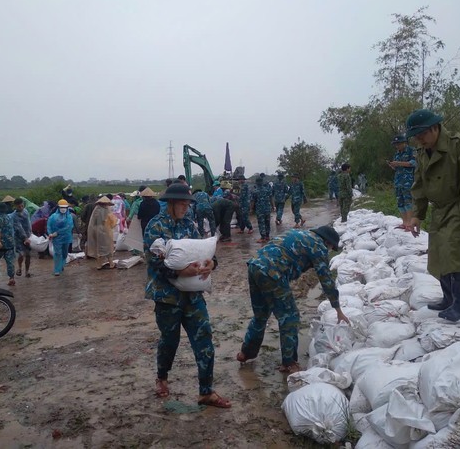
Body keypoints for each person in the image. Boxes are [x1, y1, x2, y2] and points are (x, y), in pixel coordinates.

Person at [143, 183, 231, 408]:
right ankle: (162, 377)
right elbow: (155, 262)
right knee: (169, 341)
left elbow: (204, 250)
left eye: (187, 203)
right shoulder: (155, 226)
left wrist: (212, 263)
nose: (186, 207)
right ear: (171, 202)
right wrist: (179, 272)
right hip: (167, 297)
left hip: (193, 295)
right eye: (182, 203)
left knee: (204, 340)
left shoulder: (190, 226)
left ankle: (206, 391)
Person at [405, 109, 460, 322]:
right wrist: (417, 215)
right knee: (439, 253)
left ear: (435, 128)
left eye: (422, 134)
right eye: (416, 136)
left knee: (455, 254)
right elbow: (419, 184)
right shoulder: (423, 152)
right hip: (439, 209)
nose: (419, 139)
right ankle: (448, 298)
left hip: (459, 205)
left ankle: (459, 306)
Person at [237, 226, 349, 374]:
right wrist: (338, 311)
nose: (328, 251)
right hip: (272, 272)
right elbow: (326, 281)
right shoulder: (318, 246)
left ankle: (246, 352)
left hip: (255, 266)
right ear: (327, 242)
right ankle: (289, 363)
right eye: (330, 248)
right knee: (290, 317)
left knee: (261, 314)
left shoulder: (299, 233)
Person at [388, 134, 417, 229]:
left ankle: (409, 224)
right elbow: (397, 167)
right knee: (400, 202)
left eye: (398, 144)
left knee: (408, 202)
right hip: (398, 181)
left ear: (404, 142)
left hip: (408, 181)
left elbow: (414, 163)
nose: (397, 146)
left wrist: (399, 163)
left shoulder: (411, 150)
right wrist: (393, 166)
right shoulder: (397, 153)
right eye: (395, 144)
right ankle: (404, 223)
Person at [86, 196, 118, 269]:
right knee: (108, 247)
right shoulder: (107, 210)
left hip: (97, 230)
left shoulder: (96, 210)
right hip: (106, 229)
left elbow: (92, 222)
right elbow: (113, 221)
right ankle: (111, 264)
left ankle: (99, 265)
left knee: (99, 247)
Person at [47, 199, 74, 276]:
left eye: (65, 207)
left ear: (67, 207)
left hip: (66, 238)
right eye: (61, 207)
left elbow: (69, 227)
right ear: (58, 207)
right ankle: (57, 270)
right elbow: (49, 225)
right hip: (57, 239)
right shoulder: (53, 217)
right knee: (57, 253)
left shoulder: (69, 217)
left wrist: (57, 233)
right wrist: (50, 234)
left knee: (65, 253)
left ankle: (61, 265)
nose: (63, 209)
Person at [0, 202, 16, 286]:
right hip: (10, 243)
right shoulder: (9, 217)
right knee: (10, 262)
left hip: (0, 244)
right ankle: (11, 278)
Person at [11, 198, 33, 278]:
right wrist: (24, 238)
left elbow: (29, 222)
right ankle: (20, 268)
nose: (21, 207)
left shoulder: (26, 211)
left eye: (22, 205)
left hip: (28, 235)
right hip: (18, 237)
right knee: (21, 254)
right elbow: (19, 228)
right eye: (19, 206)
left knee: (28, 254)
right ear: (15, 206)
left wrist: (30, 233)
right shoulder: (14, 216)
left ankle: (27, 271)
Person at [251, 174, 274, 242]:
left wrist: (251, 209)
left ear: (256, 182)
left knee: (261, 223)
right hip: (267, 209)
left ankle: (263, 237)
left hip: (260, 210)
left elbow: (253, 201)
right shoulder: (267, 189)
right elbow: (271, 198)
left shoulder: (255, 191)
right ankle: (267, 236)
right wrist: (273, 206)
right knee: (267, 222)